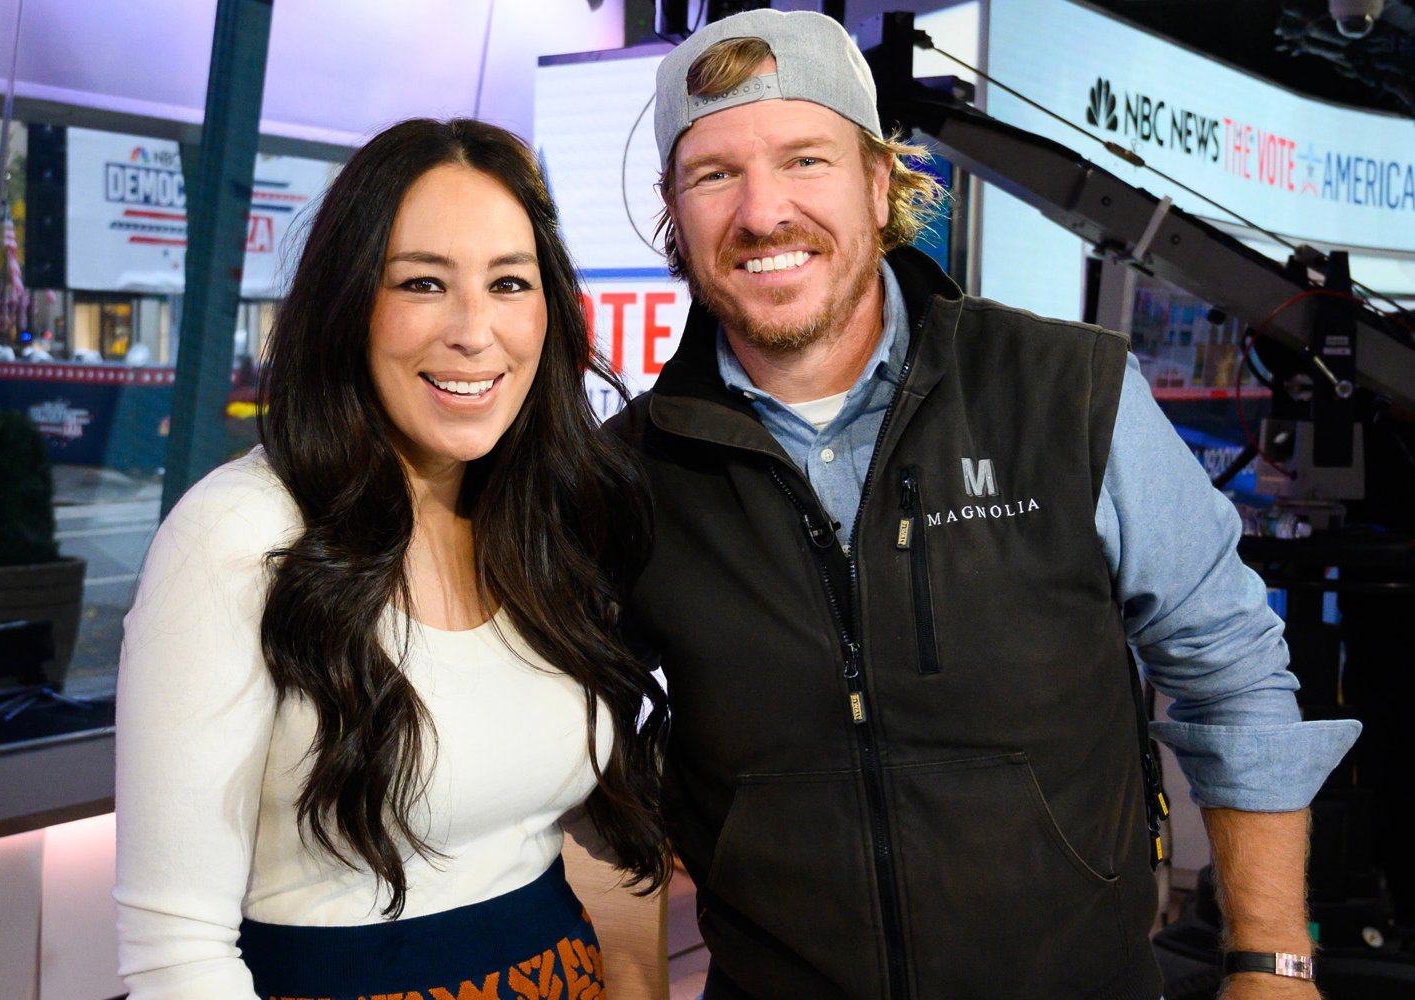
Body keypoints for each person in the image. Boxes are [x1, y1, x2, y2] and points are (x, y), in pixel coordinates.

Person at [609, 10, 1360, 1000]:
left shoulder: (1063, 391)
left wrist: (1272, 960)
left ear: (881, 183)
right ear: (674, 207)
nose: (763, 212)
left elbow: (1230, 664)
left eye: (805, 159)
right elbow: (562, 753)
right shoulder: (627, 477)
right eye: (714, 175)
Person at [114, 118, 667, 1000]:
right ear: (346, 307)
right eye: (422, 283)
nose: (473, 332)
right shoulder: (237, 534)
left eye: (508, 283)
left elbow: (600, 837)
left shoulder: (547, 519)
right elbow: (176, 952)